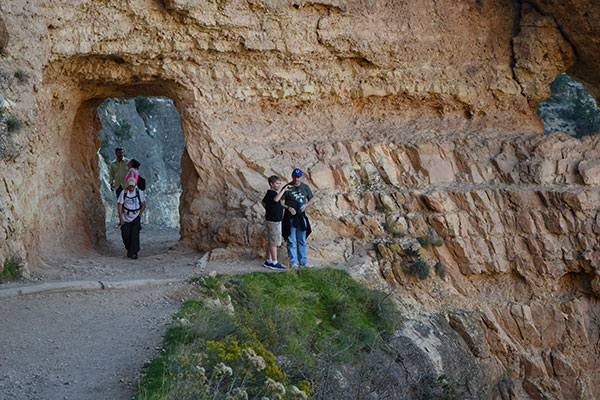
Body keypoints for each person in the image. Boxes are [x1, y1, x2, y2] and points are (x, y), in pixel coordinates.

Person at [282, 168, 315, 268]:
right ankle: (293, 263)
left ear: (301, 177)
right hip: (290, 216)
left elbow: (312, 198)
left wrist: (306, 205)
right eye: (294, 177)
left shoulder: (305, 187)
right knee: (291, 240)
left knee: (301, 240)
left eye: (298, 177)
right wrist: (288, 207)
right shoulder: (287, 187)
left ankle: (303, 262)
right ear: (292, 176)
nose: (296, 179)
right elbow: (280, 201)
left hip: (301, 216)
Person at [261, 175, 290, 271]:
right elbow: (276, 199)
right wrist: (284, 190)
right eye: (277, 183)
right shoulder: (272, 193)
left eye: (279, 184)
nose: (278, 185)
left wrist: (269, 209)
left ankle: (268, 260)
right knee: (274, 241)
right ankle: (274, 262)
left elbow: (263, 202)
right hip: (274, 221)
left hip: (271, 219)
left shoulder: (270, 193)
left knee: (270, 240)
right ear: (271, 184)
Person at [118, 177, 146, 259]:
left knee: (134, 234)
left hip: (135, 216)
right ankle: (129, 249)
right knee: (125, 234)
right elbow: (120, 205)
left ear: (135, 185)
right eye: (130, 186)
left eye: (132, 186)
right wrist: (121, 218)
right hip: (126, 217)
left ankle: (134, 252)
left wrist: (139, 215)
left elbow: (143, 204)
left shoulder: (139, 193)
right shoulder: (124, 193)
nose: (131, 187)